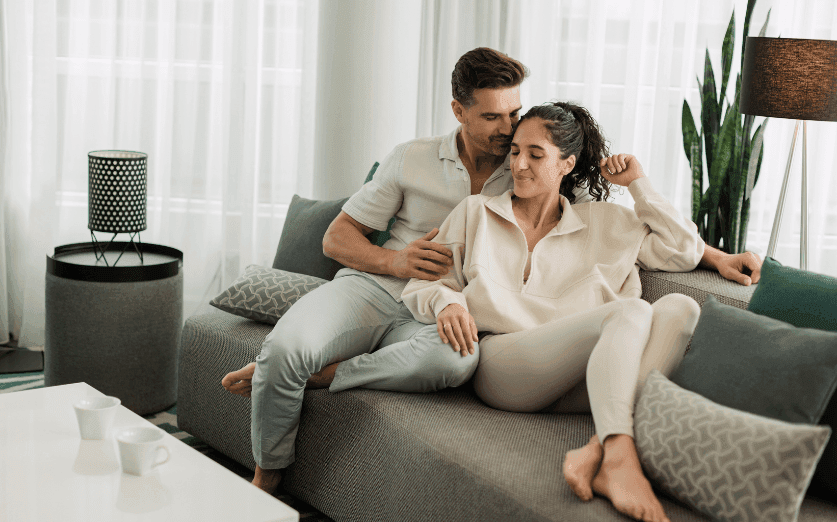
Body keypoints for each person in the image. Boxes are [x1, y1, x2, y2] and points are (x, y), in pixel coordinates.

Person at [220, 47, 762, 498]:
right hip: (387, 289)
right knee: (288, 350)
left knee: (464, 355)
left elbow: (657, 240)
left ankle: (601, 446)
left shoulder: (539, 176)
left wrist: (711, 252)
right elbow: (337, 239)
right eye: (494, 119)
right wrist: (400, 262)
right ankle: (266, 480)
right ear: (459, 111)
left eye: (516, 118)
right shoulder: (421, 166)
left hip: (482, 331)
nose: (509, 137)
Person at [401, 101, 697, 522]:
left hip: (584, 382)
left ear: (567, 164)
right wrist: (448, 301)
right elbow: (424, 282)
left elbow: (683, 250)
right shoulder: (476, 213)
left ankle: (597, 449)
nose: (519, 164)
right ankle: (618, 456)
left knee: (682, 308)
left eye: (535, 155)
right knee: (630, 311)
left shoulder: (608, 223)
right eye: (516, 151)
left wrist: (638, 184)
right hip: (505, 366)